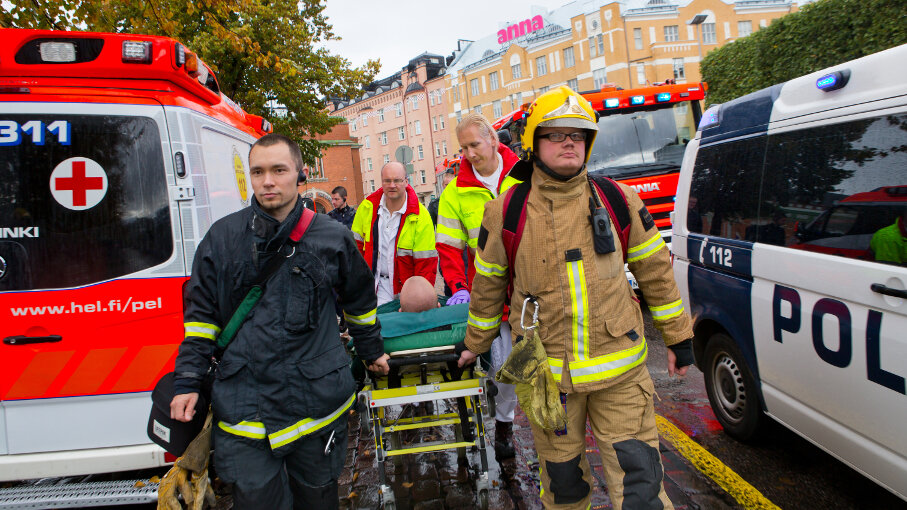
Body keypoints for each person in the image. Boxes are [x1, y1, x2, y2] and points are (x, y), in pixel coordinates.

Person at [457, 87, 695, 510]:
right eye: (557, 134)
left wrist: (678, 338)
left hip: (621, 374)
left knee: (641, 488)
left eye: (578, 135)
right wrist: (475, 344)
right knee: (564, 489)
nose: (570, 142)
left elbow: (656, 270)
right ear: (534, 143)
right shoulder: (505, 212)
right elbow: (488, 284)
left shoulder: (618, 199)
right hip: (548, 382)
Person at [170, 134, 390, 510]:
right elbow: (201, 319)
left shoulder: (332, 238)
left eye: (278, 170)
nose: (267, 180)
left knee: (318, 499)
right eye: (258, 171)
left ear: (299, 174)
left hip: (315, 408)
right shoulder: (221, 239)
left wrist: (371, 352)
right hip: (246, 411)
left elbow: (360, 302)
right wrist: (188, 380)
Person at [436, 112, 522, 459]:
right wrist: (458, 285)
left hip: (532, 287)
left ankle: (557, 425)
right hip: (489, 293)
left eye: (475, 143)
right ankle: (504, 425)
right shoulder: (454, 194)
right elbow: (449, 248)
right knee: (504, 367)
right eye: (463, 147)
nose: (470, 153)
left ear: (492, 139)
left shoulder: (524, 177)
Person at [351, 161, 437, 306]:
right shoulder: (366, 208)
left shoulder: (420, 216)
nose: (392, 185)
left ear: (406, 182)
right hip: (372, 289)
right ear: (382, 182)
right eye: (387, 181)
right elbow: (354, 252)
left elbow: (426, 263)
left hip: (406, 293)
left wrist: (421, 298)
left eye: (397, 180)